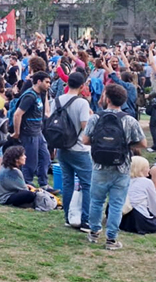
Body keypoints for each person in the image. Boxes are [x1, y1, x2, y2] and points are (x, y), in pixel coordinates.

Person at [83, 83, 147, 250]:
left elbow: (85, 140)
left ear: (107, 98)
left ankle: (94, 232)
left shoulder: (96, 118)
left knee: (96, 201)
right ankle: (111, 239)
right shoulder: (129, 120)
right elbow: (143, 143)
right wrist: (126, 145)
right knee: (116, 204)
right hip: (122, 167)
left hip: (99, 166)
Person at [54, 72, 93, 232]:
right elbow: (85, 126)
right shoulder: (82, 103)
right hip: (79, 148)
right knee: (87, 184)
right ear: (82, 86)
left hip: (62, 147)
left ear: (67, 83)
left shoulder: (57, 100)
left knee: (67, 182)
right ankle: (85, 220)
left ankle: (68, 217)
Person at [12, 71, 53, 191]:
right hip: (28, 132)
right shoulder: (29, 96)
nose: (49, 85)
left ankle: (44, 183)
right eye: (46, 82)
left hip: (38, 132)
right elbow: (17, 114)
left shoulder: (40, 94)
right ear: (38, 81)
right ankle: (26, 184)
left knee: (45, 157)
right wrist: (17, 132)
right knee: (30, 161)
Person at [120, 156, 156, 234]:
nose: (149, 170)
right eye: (147, 167)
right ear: (141, 169)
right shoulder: (146, 182)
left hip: (121, 217)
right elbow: (154, 203)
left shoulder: (122, 180)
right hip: (137, 218)